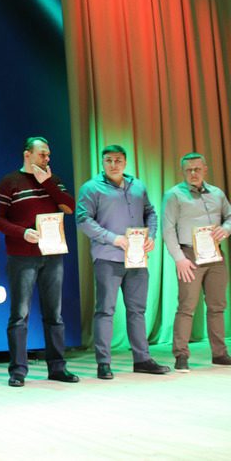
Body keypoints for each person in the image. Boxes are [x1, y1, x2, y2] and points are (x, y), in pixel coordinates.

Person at [0, 136, 79, 387]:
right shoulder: (9, 182)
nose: (46, 159)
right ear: (27, 154)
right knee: (20, 315)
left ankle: (57, 367)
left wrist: (47, 182)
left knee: (55, 314)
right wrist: (22, 232)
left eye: (48, 155)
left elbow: (70, 207)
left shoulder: (53, 180)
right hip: (22, 257)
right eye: (42, 154)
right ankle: (18, 371)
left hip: (52, 255)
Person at [75, 145, 170, 379]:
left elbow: (150, 213)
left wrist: (151, 236)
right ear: (102, 162)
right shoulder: (91, 188)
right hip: (107, 257)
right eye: (108, 160)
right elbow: (83, 219)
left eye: (118, 160)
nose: (113, 165)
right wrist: (113, 238)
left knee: (137, 310)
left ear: (125, 162)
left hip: (136, 259)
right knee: (105, 311)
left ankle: (142, 359)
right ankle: (103, 363)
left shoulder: (138, 186)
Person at [162, 152, 231, 372]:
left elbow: (229, 217)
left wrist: (226, 229)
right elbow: (167, 230)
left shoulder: (217, 194)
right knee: (186, 307)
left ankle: (219, 354)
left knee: (217, 306)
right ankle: (181, 355)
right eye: (189, 170)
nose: (193, 173)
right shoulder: (174, 195)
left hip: (215, 255)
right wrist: (179, 259)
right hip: (189, 255)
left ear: (205, 169)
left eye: (197, 169)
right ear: (183, 171)